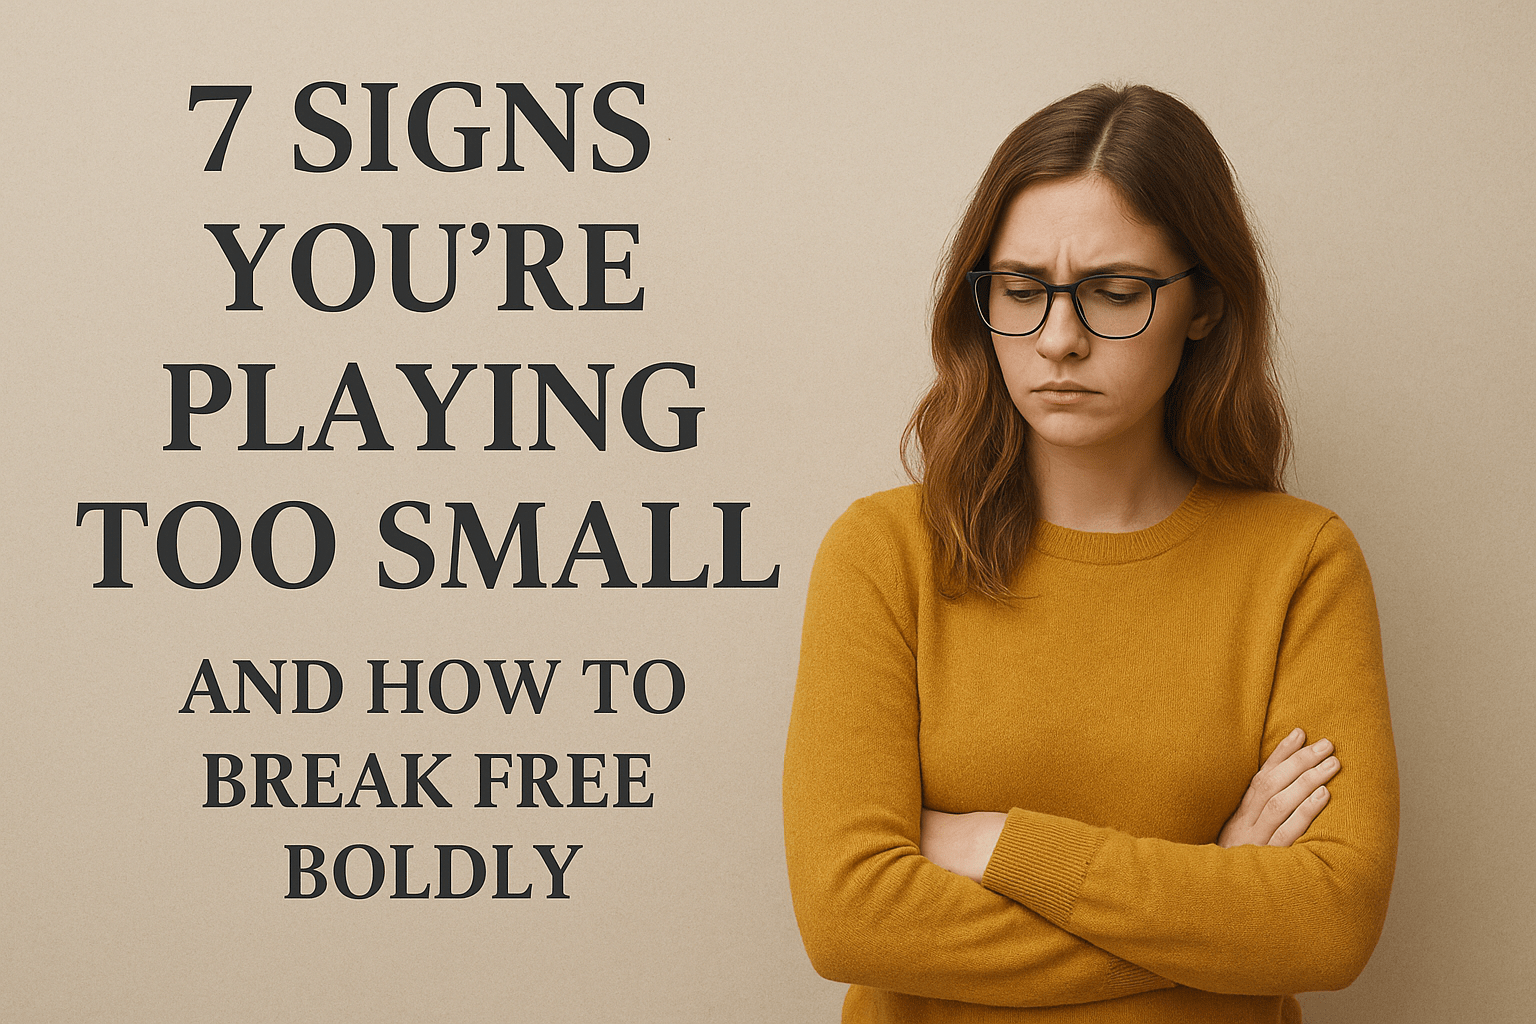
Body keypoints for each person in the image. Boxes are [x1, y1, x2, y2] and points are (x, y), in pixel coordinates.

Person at [782, 83, 1398, 1023]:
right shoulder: (884, 554)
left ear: (1205, 304)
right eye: (1021, 291)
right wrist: (1212, 896)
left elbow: (1325, 928)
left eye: (1115, 293)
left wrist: (997, 844)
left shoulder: (1301, 562)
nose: (1059, 340)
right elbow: (849, 921)